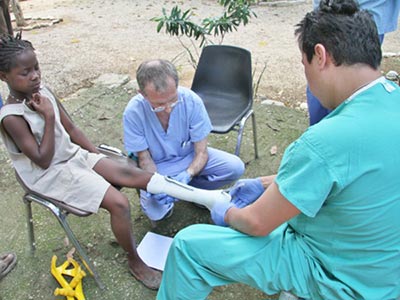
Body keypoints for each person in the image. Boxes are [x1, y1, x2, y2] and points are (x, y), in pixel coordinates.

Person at [156, 0, 400, 299]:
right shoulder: (392, 100)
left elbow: (256, 223)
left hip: (338, 275)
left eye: (304, 64)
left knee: (189, 247)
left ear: (320, 56)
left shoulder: (325, 141)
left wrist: (225, 210)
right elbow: (344, 176)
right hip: (384, 269)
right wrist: (262, 183)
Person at [0, 34, 163, 290]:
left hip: (72, 156)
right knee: (119, 204)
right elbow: (42, 161)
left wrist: (95, 157)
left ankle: (196, 197)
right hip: (49, 174)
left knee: (135, 173)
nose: (34, 76)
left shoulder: (44, 92)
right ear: (4, 76)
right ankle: (135, 261)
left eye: (36, 68)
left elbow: (73, 130)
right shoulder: (11, 117)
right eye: (25, 73)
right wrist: (49, 116)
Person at [123, 59, 245, 221]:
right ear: (142, 94)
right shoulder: (133, 112)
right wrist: (159, 184)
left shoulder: (191, 101)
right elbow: (144, 159)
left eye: (173, 100)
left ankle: (193, 191)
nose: (167, 109)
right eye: (159, 104)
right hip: (158, 166)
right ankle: (183, 193)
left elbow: (201, 151)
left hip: (189, 156)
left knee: (235, 167)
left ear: (177, 86)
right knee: (156, 213)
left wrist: (187, 174)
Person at [308, 0, 400, 125]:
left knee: (325, 74)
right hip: (368, 13)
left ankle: (322, 129)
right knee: (356, 83)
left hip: (331, 12)